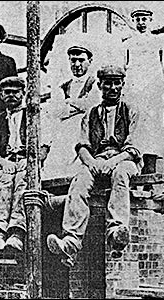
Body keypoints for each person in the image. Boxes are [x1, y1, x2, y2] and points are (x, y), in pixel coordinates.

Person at [46, 65, 143, 267]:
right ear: (100, 85)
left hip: (123, 159)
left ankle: (116, 230)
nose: (113, 87)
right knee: (79, 180)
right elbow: (82, 146)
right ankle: (71, 239)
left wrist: (112, 161)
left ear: (123, 85)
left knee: (120, 175)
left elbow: (134, 147)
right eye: (108, 83)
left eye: (117, 83)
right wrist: (92, 163)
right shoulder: (90, 114)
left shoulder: (131, 110)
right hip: (97, 160)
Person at [0, 76, 51, 253]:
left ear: (23, 93)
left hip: (27, 162)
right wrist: (3, 162)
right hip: (7, 162)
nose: (11, 96)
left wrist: (30, 162)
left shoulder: (35, 115)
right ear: (1, 95)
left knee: (23, 180)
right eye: (7, 92)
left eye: (16, 92)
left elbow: (44, 148)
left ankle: (16, 232)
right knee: (4, 183)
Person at [42, 42, 100, 179]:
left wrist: (69, 101)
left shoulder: (94, 83)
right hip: (63, 130)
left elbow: (92, 106)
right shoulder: (63, 86)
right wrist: (79, 105)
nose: (77, 64)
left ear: (90, 61)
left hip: (85, 127)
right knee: (58, 150)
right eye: (73, 60)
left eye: (81, 60)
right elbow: (57, 110)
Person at [122, 6, 164, 171]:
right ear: (133, 21)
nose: (141, 23)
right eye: (137, 19)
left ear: (150, 20)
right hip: (135, 92)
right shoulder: (127, 44)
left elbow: (163, 66)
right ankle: (135, 169)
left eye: (144, 19)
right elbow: (125, 68)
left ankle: (151, 170)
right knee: (136, 129)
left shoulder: (158, 42)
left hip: (153, 91)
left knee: (153, 130)